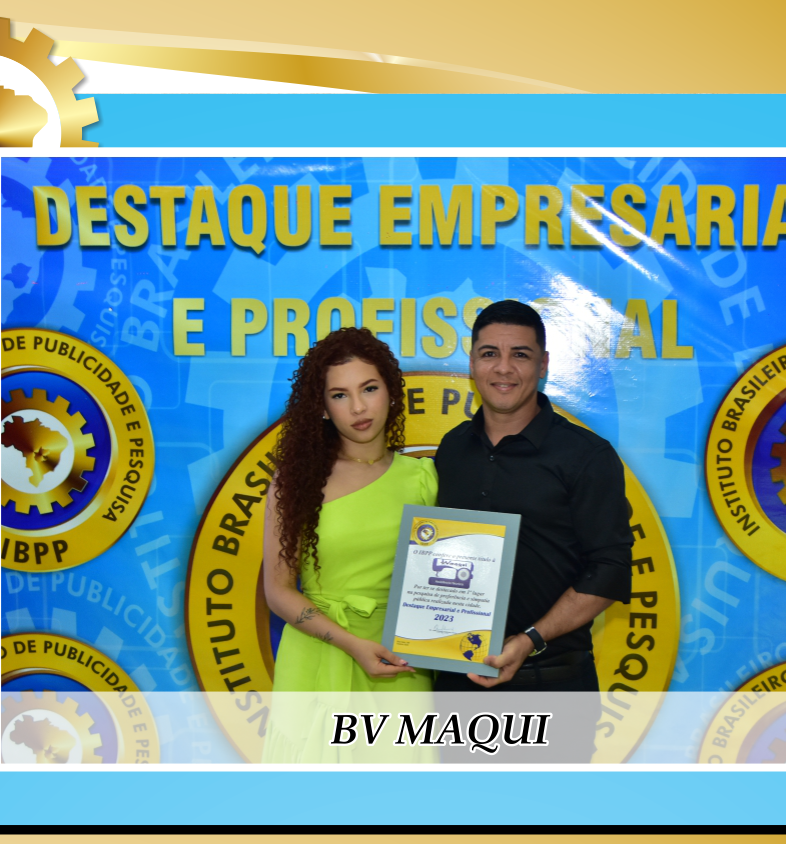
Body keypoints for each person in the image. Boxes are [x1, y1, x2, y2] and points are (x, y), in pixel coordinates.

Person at [434, 300, 634, 760]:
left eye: (520, 354)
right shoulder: (452, 448)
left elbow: (610, 569)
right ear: (472, 362)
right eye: (489, 353)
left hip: (553, 687)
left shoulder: (587, 456)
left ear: (543, 365)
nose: (503, 368)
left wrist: (529, 639)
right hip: (457, 688)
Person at [261, 327, 437, 763]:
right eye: (340, 395)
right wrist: (350, 644)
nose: (358, 407)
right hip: (317, 656)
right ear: (322, 407)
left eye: (369, 388)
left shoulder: (424, 479)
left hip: (401, 665)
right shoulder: (296, 482)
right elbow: (278, 592)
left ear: (391, 392)